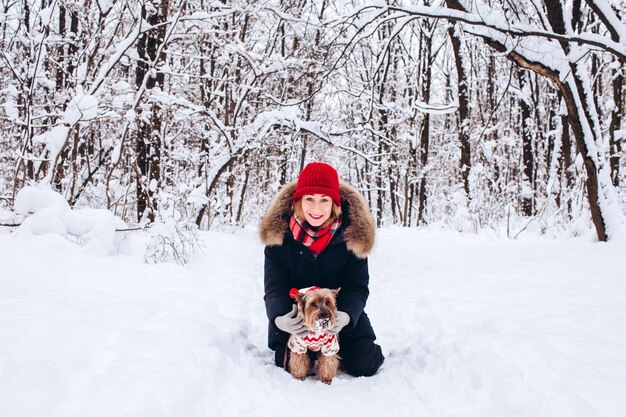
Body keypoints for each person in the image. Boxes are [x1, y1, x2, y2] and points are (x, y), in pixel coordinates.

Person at [259, 161, 384, 377]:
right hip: (297, 321)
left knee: (365, 363)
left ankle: (339, 350)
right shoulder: (279, 237)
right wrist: (281, 318)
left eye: (324, 200)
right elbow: (275, 288)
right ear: (298, 201)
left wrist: (345, 316)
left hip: (340, 318)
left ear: (335, 204)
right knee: (289, 365)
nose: (316, 209)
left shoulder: (353, 236)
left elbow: (357, 287)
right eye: (309, 199)